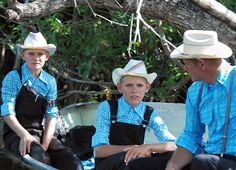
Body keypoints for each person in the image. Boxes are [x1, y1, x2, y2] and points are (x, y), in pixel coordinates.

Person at [1, 32, 84, 170]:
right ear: (23, 55)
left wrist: (45, 144)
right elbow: (6, 111)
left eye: (40, 54)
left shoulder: (50, 81)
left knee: (73, 163)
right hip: (16, 133)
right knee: (40, 158)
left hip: (40, 132)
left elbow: (51, 114)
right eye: (31, 53)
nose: (36, 58)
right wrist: (24, 135)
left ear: (47, 57)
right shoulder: (13, 77)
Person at [165, 30, 236, 170]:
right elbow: (191, 136)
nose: (185, 68)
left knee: (202, 162)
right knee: (140, 164)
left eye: (186, 64)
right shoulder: (195, 91)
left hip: (219, 161)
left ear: (202, 64)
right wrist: (172, 167)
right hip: (211, 158)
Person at [92, 59, 177, 170]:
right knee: (130, 159)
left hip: (135, 161)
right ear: (120, 87)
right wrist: (135, 149)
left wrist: (148, 148)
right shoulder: (107, 107)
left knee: (172, 155)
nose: (134, 90)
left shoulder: (149, 112)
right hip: (108, 164)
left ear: (147, 88)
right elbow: (99, 151)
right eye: (129, 85)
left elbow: (174, 144)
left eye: (139, 86)